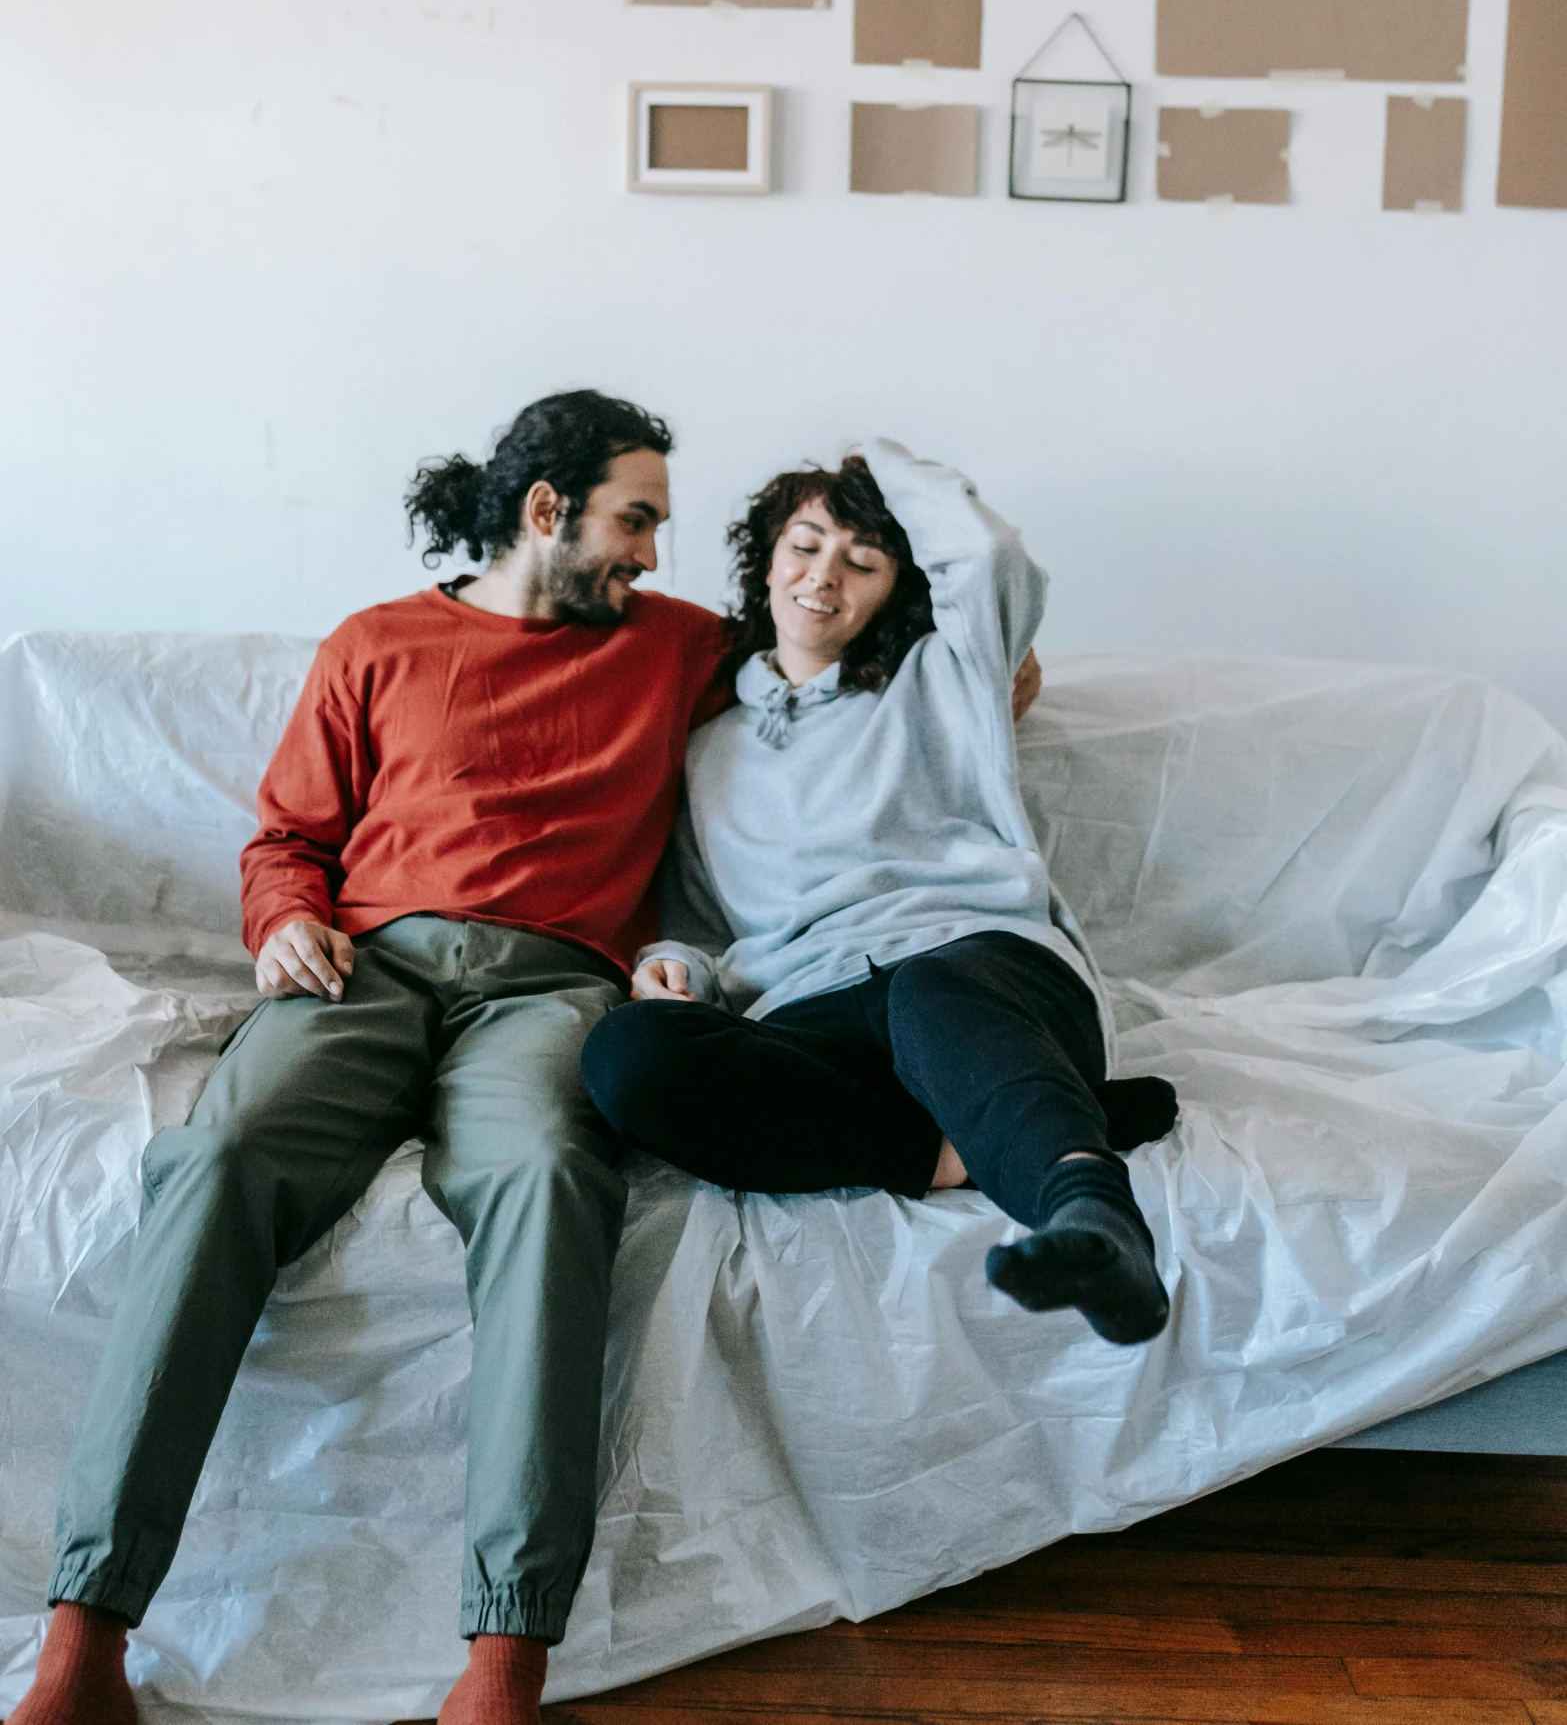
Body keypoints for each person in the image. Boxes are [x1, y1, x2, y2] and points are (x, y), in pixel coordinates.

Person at [10, 390, 733, 1725]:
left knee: (550, 1175)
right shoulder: (378, 641)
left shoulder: (678, 647)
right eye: (633, 519)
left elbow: (850, 655)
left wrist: (990, 657)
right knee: (219, 1153)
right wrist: (283, 921)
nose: (647, 553)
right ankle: (86, 1636)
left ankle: (502, 1656)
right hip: (365, 966)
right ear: (543, 509)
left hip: (552, 985)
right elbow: (287, 838)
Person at [582, 439, 1175, 1348]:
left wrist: (878, 464)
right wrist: (672, 969)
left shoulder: (949, 678)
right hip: (812, 1011)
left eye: (861, 560)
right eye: (805, 544)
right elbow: (701, 924)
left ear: (895, 586)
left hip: (974, 967)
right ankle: (989, 1137)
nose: (824, 576)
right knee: (627, 1054)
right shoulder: (708, 747)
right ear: (766, 558)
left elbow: (989, 561)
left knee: (928, 985)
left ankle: (1092, 1216)